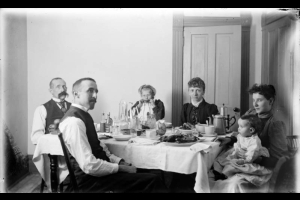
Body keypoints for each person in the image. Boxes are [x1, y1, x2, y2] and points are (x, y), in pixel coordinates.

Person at [58, 78, 168, 193]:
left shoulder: (84, 115)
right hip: (90, 183)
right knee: (153, 180)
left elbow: (99, 148)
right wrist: (120, 168)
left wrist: (119, 161)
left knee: (150, 172)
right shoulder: (73, 122)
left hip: (97, 176)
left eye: (96, 91)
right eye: (90, 91)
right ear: (76, 94)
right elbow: (88, 165)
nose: (95, 95)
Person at [210, 83, 289, 193]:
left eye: (259, 100)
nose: (255, 104)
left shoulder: (275, 124)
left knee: (234, 185)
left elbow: (279, 160)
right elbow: (243, 134)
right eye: (254, 100)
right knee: (215, 164)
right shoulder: (252, 113)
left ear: (270, 101)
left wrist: (256, 158)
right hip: (245, 161)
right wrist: (231, 139)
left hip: (260, 168)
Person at [214, 114, 271, 180]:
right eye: (239, 126)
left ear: (251, 130)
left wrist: (244, 160)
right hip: (239, 154)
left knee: (234, 166)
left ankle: (223, 175)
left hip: (248, 158)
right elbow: (238, 144)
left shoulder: (254, 141)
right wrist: (234, 153)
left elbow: (252, 154)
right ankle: (217, 171)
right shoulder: (241, 136)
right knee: (221, 159)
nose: (238, 128)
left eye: (241, 126)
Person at [31, 77, 71, 145]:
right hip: (53, 151)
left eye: (64, 87)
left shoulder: (74, 107)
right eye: (58, 87)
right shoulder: (42, 109)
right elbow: (36, 137)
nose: (62, 89)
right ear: (51, 91)